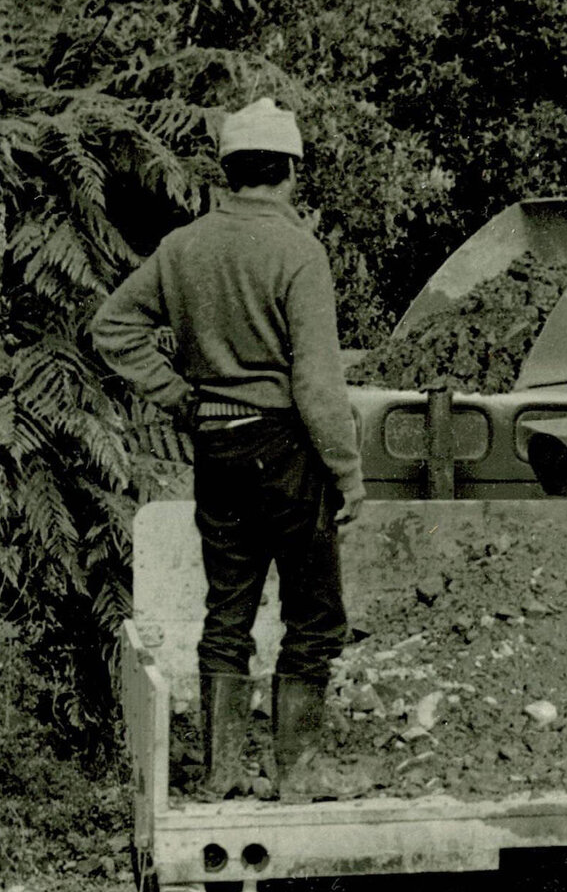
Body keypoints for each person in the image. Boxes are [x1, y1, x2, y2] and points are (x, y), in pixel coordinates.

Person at [93, 97, 366, 798]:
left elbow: (112, 327)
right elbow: (317, 382)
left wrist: (181, 396)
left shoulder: (184, 246)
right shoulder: (299, 250)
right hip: (286, 450)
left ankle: (221, 773)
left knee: (228, 610)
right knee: (314, 611)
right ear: (292, 170)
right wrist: (348, 472)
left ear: (229, 169)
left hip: (214, 448)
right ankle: (298, 771)